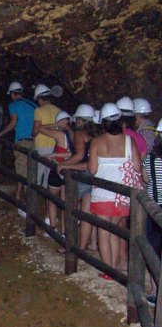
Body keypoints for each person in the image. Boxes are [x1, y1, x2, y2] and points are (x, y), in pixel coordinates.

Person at [89, 103, 142, 278]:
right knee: (115, 231)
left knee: (104, 233)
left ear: (103, 122)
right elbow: (136, 167)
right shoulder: (129, 141)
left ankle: (108, 271)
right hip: (122, 196)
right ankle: (116, 267)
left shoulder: (97, 142)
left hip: (102, 194)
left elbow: (92, 170)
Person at [57, 104, 98, 251]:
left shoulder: (80, 134)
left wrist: (64, 165)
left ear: (79, 119)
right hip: (93, 174)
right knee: (87, 213)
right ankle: (82, 247)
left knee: (70, 208)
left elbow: (79, 155)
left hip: (82, 174)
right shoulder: (95, 133)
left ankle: (70, 244)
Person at [0, 81, 37, 208]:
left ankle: (28, 202)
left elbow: (13, 123)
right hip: (33, 140)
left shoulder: (13, 105)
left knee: (21, 169)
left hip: (22, 140)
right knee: (29, 169)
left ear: (12, 94)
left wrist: (0, 134)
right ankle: (18, 194)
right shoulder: (33, 104)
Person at [39, 111, 74, 242]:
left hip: (58, 168)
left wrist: (56, 124)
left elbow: (40, 128)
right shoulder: (76, 134)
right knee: (66, 202)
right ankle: (64, 232)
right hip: (70, 171)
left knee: (52, 198)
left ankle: (52, 227)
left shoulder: (60, 134)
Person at [141, 119, 162, 303]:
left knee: (154, 249)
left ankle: (156, 292)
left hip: (154, 208)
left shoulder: (150, 158)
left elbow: (146, 179)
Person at [33, 84, 61, 188]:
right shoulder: (58, 110)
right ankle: (45, 191)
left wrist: (33, 136)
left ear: (40, 98)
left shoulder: (38, 111)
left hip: (41, 144)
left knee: (38, 171)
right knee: (48, 171)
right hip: (54, 144)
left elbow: (36, 129)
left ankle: (34, 193)